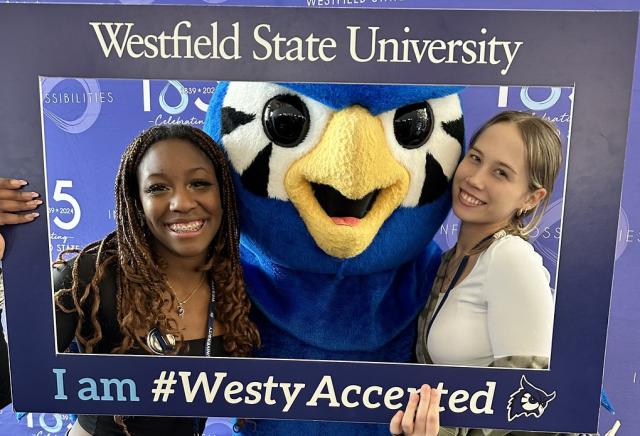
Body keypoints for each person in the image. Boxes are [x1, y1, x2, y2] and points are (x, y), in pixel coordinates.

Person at [52, 124, 260, 435]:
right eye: (158, 188)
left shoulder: (240, 285)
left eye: (200, 183)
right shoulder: (88, 278)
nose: (182, 203)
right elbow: (15, 376)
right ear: (136, 200)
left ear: (224, 194)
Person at [390, 111, 564, 436]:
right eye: (475, 158)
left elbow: (530, 414)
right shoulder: (449, 260)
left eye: (500, 173)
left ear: (531, 198)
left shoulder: (510, 258)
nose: (475, 178)